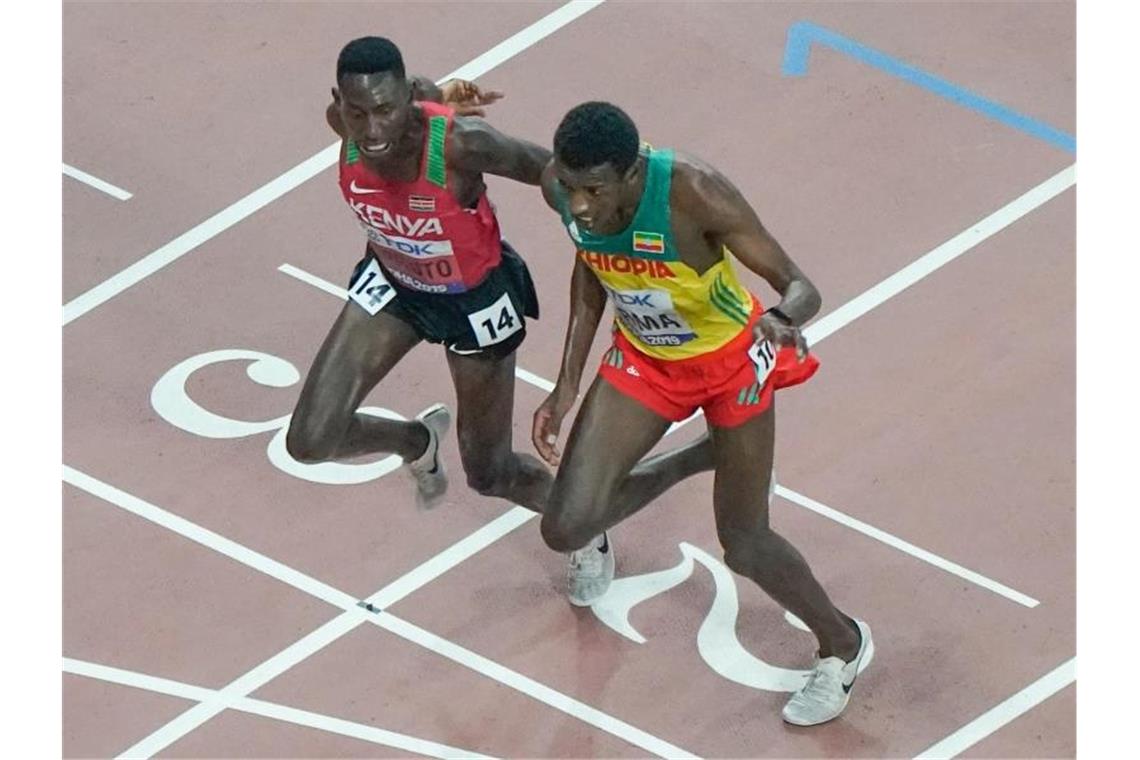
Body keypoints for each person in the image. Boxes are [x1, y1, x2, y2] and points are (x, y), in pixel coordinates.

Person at [530, 101, 872, 726]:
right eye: (571, 188)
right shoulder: (563, 187)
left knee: (744, 543)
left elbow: (801, 285)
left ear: (632, 174)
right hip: (645, 361)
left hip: (728, 366)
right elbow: (591, 271)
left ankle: (843, 644)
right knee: (565, 526)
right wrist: (566, 384)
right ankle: (695, 457)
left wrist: (783, 317)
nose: (578, 204)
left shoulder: (693, 191)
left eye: (593, 191)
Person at [285, 36, 554, 516]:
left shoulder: (460, 144)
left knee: (490, 474)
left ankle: (581, 529)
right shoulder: (344, 127)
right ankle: (416, 440)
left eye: (385, 110)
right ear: (338, 103)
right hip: (394, 287)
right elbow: (409, 100)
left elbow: (553, 172)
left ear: (408, 99)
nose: (371, 131)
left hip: (473, 302)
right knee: (310, 440)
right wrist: (440, 93)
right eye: (357, 112)